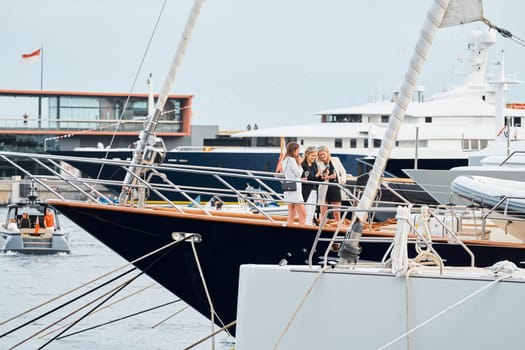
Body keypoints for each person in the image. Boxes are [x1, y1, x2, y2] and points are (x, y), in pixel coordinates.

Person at [316, 145, 347, 223]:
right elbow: (319, 176)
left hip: (335, 187)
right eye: (320, 155)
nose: (322, 156)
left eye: (324, 154)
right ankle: (322, 226)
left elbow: (343, 171)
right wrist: (327, 177)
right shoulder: (317, 163)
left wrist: (342, 181)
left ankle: (338, 226)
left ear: (327, 153)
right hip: (324, 188)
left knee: (336, 212)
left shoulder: (335, 159)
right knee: (323, 212)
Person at [281, 142, 306, 225]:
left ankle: (289, 230)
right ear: (294, 150)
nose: (299, 152)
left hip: (288, 187)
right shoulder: (291, 160)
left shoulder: (285, 160)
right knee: (303, 214)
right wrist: (299, 163)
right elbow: (298, 173)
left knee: (292, 213)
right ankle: (303, 232)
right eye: (298, 150)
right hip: (295, 189)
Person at [301, 146, 323, 225]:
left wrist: (322, 176)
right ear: (307, 154)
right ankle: (306, 225)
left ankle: (309, 224)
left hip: (314, 190)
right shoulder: (303, 165)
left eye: (315, 156)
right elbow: (305, 180)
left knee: (312, 210)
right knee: (307, 210)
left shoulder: (314, 165)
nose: (314, 157)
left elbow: (317, 180)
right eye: (312, 156)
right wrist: (317, 175)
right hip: (306, 191)